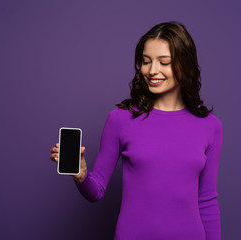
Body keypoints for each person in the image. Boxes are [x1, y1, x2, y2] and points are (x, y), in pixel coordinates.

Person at [50, 21, 222, 240]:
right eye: (146, 61)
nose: (152, 71)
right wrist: (81, 176)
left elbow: (206, 201)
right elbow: (96, 192)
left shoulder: (210, 126)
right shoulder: (120, 119)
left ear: (185, 64)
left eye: (164, 62)